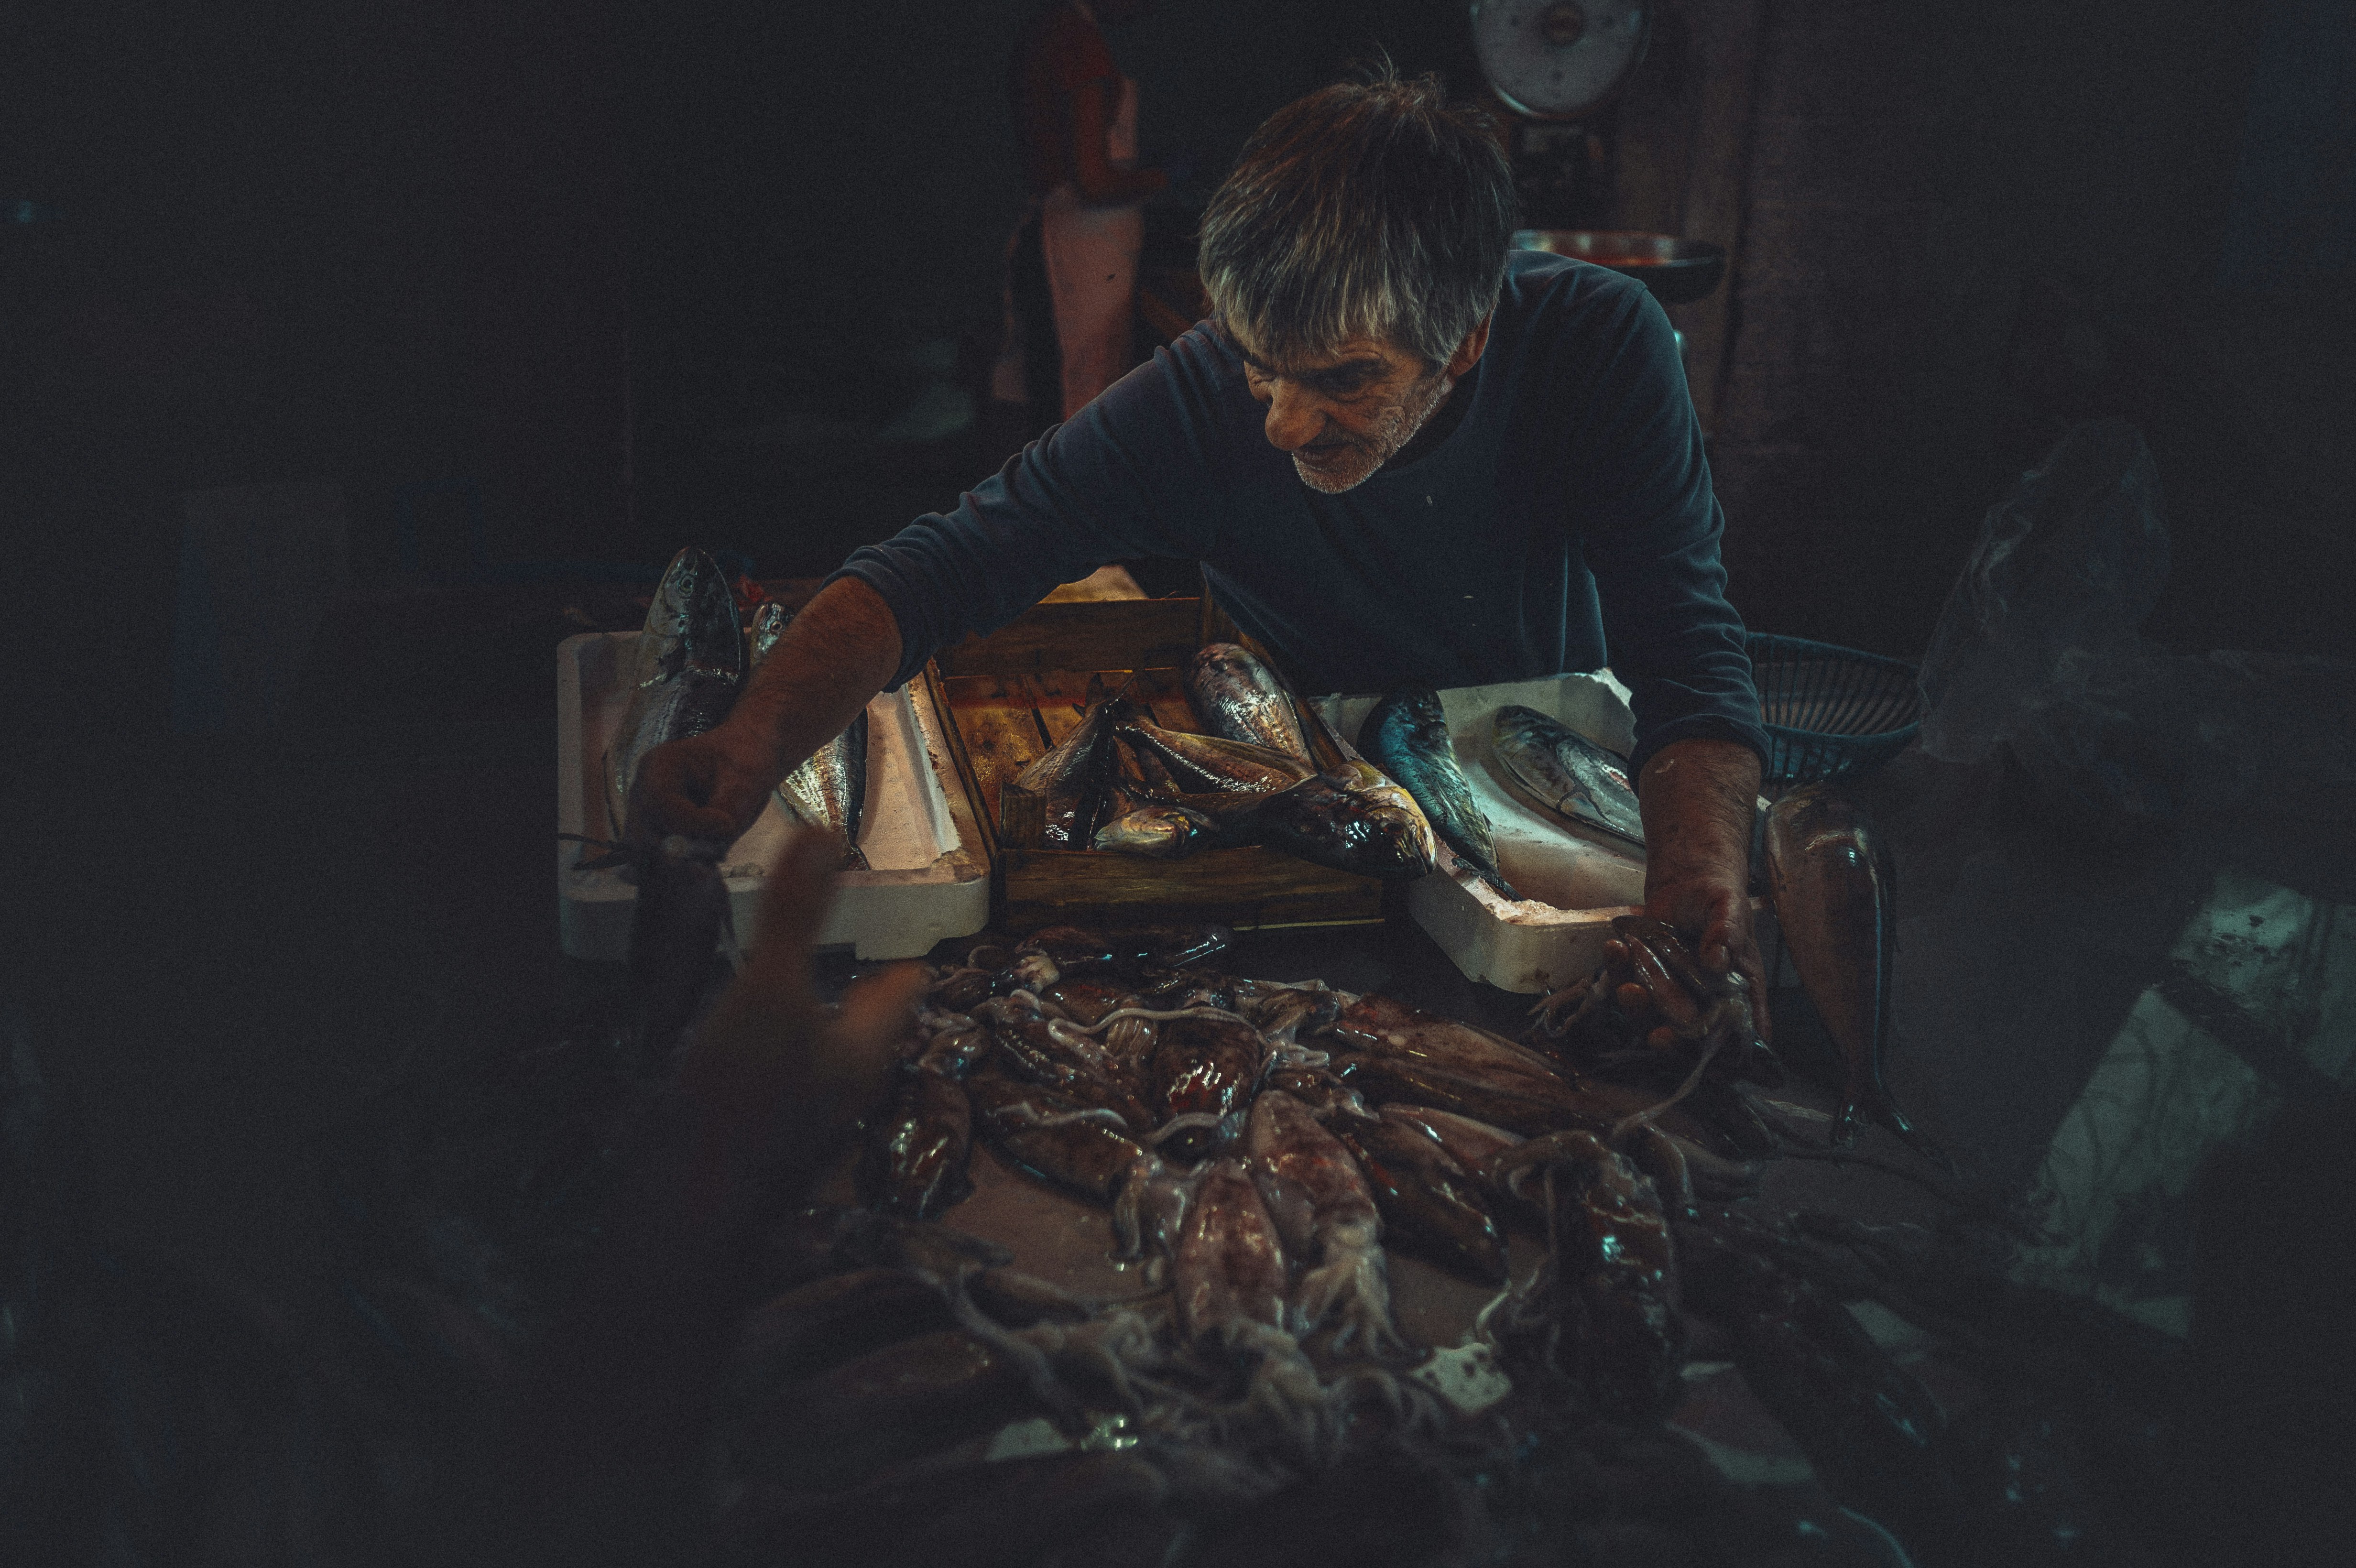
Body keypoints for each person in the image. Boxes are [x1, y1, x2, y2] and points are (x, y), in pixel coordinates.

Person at [634, 73, 1777, 1018]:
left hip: (1539, 834)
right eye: (1260, 365)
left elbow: (1687, 650)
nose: (1283, 423)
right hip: (1294, 848)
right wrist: (750, 737)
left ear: (1466, 336)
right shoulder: (1192, 401)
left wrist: (1696, 875)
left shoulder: (1600, 348)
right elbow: (939, 568)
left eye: (1343, 380)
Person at [989, 0, 1172, 426]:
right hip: (1081, 252)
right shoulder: (1078, 42)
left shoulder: (1052, 30)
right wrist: (1167, 178)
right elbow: (1093, 182)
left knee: (1064, 407)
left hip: (1067, 241)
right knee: (1084, 406)